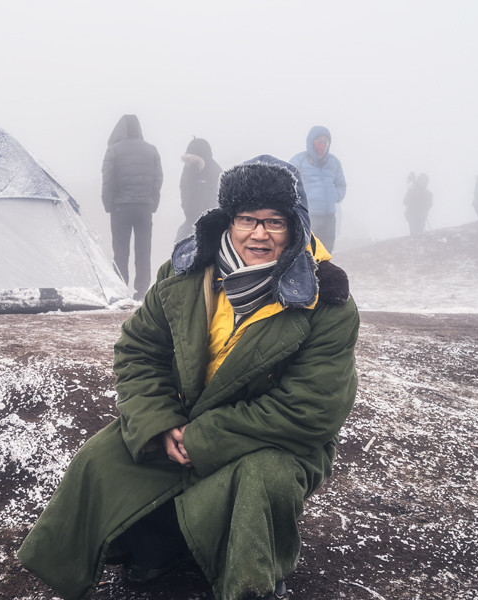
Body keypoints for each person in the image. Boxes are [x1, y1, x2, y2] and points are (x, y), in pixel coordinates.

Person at [19, 156, 359, 600]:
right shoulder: (184, 273)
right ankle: (156, 548)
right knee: (104, 457)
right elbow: (140, 351)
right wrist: (160, 423)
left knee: (262, 478)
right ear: (229, 221)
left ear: (295, 226)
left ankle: (255, 572)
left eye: (274, 222)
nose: (259, 234)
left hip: (274, 441)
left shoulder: (325, 300)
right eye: (247, 219)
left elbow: (312, 407)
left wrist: (201, 438)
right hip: (180, 423)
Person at [102, 114, 163, 300]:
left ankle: (121, 290)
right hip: (144, 208)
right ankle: (141, 291)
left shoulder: (113, 150)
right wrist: (153, 203)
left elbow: (108, 178)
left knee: (120, 252)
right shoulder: (151, 150)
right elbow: (158, 179)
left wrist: (108, 204)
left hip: (121, 208)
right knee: (143, 251)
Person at [290, 126, 346, 251]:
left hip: (329, 216)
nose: (323, 146)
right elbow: (287, 182)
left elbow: (341, 184)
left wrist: (336, 196)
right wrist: (299, 203)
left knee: (326, 251)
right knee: (308, 250)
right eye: (320, 142)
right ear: (311, 142)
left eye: (326, 142)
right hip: (308, 216)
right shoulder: (299, 160)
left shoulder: (334, 162)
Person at [175, 137, 222, 243]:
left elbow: (216, 199)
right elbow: (183, 189)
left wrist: (208, 218)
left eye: (193, 160)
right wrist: (186, 208)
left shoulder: (215, 172)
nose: (189, 163)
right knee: (179, 243)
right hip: (190, 219)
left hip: (209, 221)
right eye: (188, 160)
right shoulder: (188, 169)